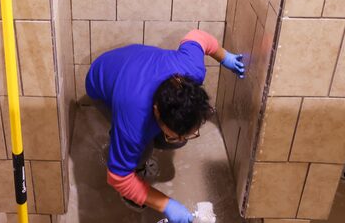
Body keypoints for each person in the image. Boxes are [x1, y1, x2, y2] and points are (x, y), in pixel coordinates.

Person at [85, 29, 246, 223]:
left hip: (133, 61)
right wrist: (165, 204)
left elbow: (197, 37)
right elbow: (118, 177)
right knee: (142, 149)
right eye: (174, 134)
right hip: (100, 79)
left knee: (172, 143)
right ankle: (124, 152)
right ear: (156, 111)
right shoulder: (134, 122)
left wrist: (224, 56)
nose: (181, 139)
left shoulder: (191, 70)